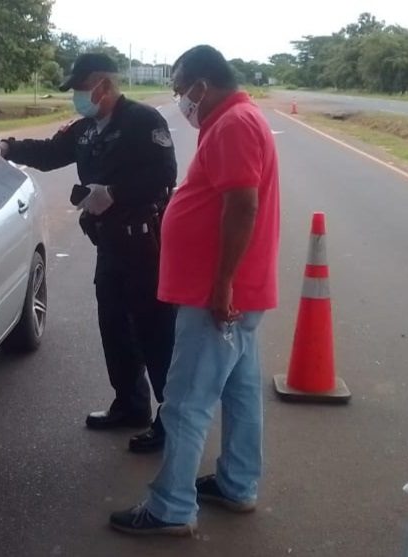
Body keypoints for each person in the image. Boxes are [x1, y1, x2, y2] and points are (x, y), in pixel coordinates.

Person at [109, 44, 281, 536]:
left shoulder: (232, 124)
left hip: (219, 296)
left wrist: (222, 283)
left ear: (202, 86)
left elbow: (242, 205)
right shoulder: (234, 120)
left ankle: (171, 509)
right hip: (234, 293)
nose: (181, 100)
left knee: (185, 401)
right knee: (241, 393)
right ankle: (237, 483)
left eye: (182, 89)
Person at [0, 53, 178, 454]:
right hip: (110, 244)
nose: (77, 97)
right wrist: (7, 146)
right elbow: (50, 153)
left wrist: (115, 193)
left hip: (144, 245)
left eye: (82, 89)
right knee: (114, 328)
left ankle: (172, 420)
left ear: (102, 85)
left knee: (154, 333)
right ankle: (130, 404)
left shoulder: (143, 122)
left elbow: (164, 174)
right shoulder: (86, 129)